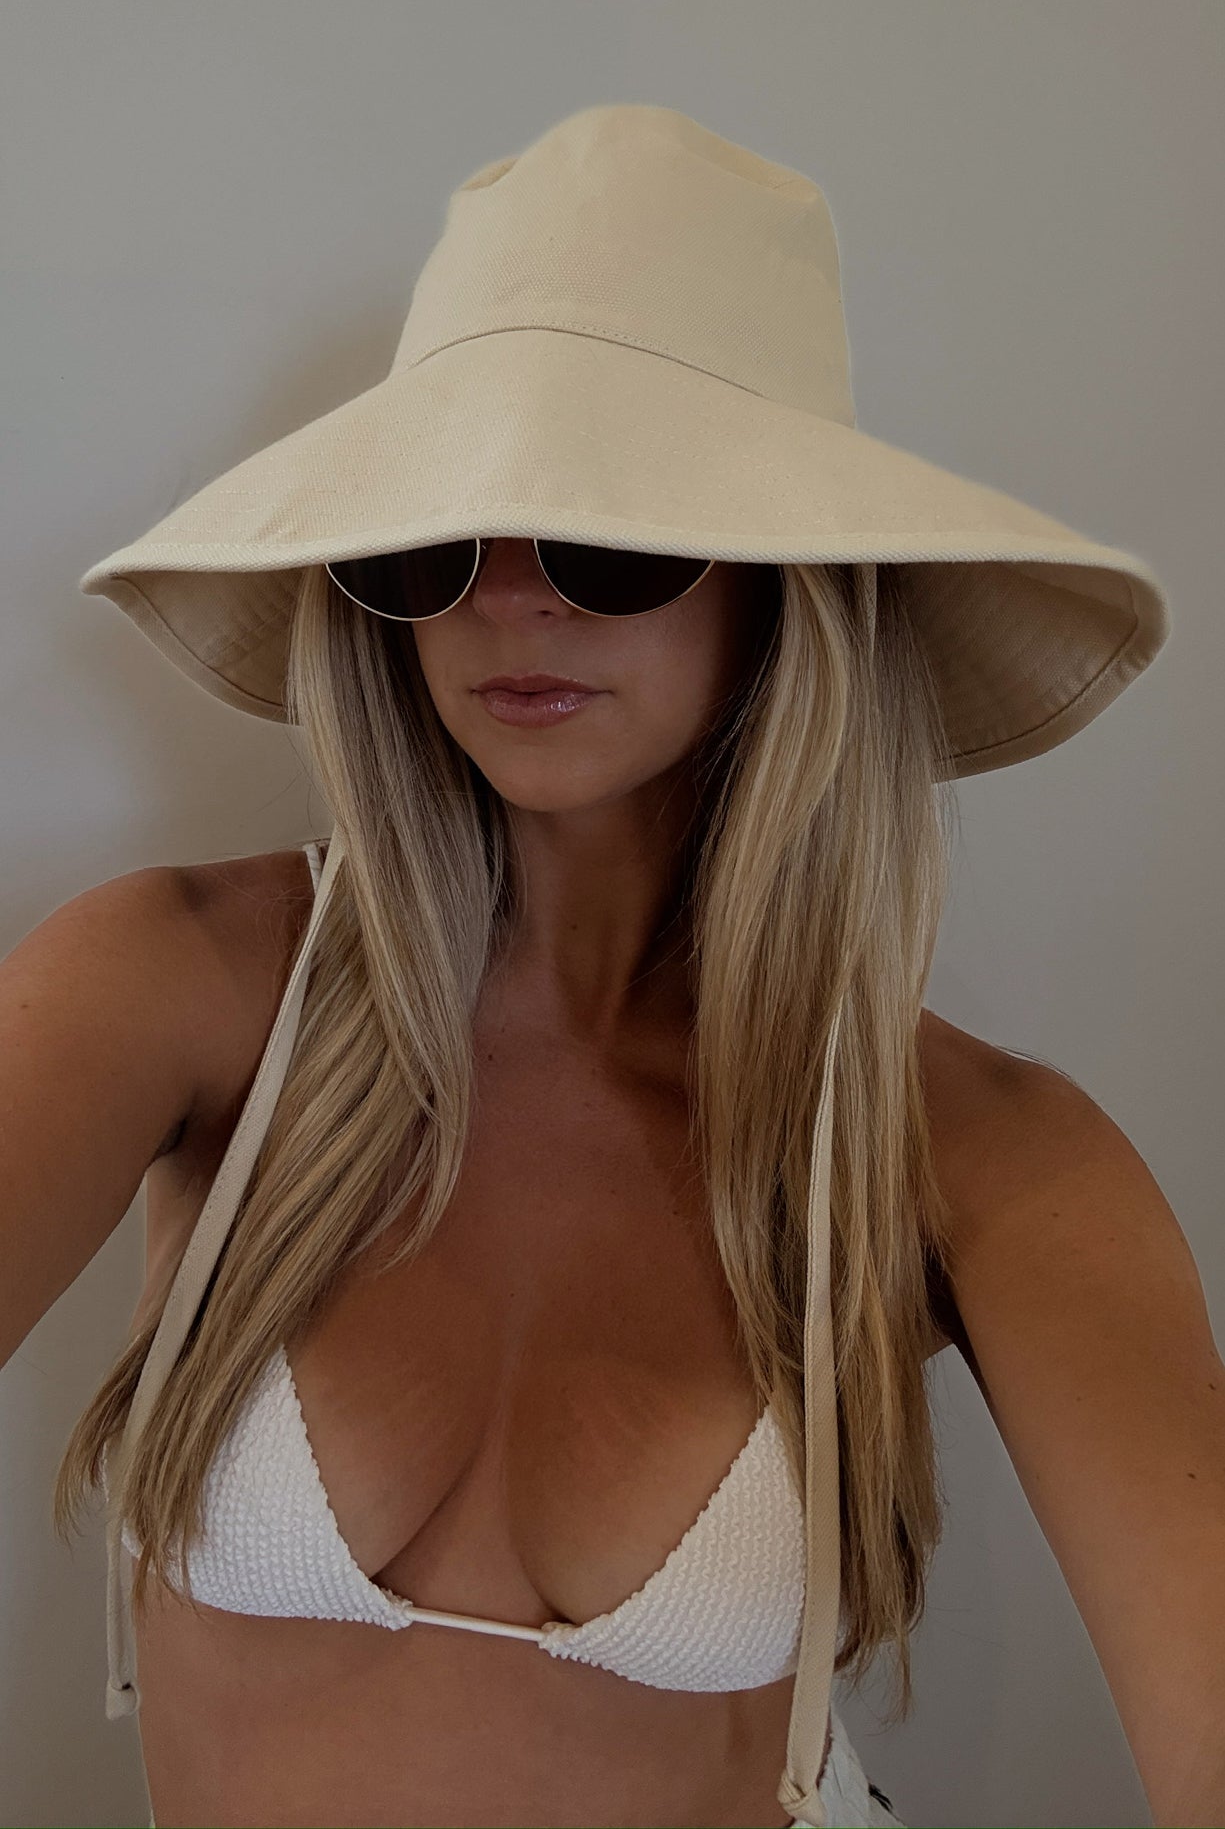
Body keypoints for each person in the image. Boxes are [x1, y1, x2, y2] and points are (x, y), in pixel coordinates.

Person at [2, 105, 1178, 1828]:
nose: (506, 601)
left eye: (607, 536)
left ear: (786, 586)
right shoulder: (182, 986)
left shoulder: (969, 1149)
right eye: (433, 538)